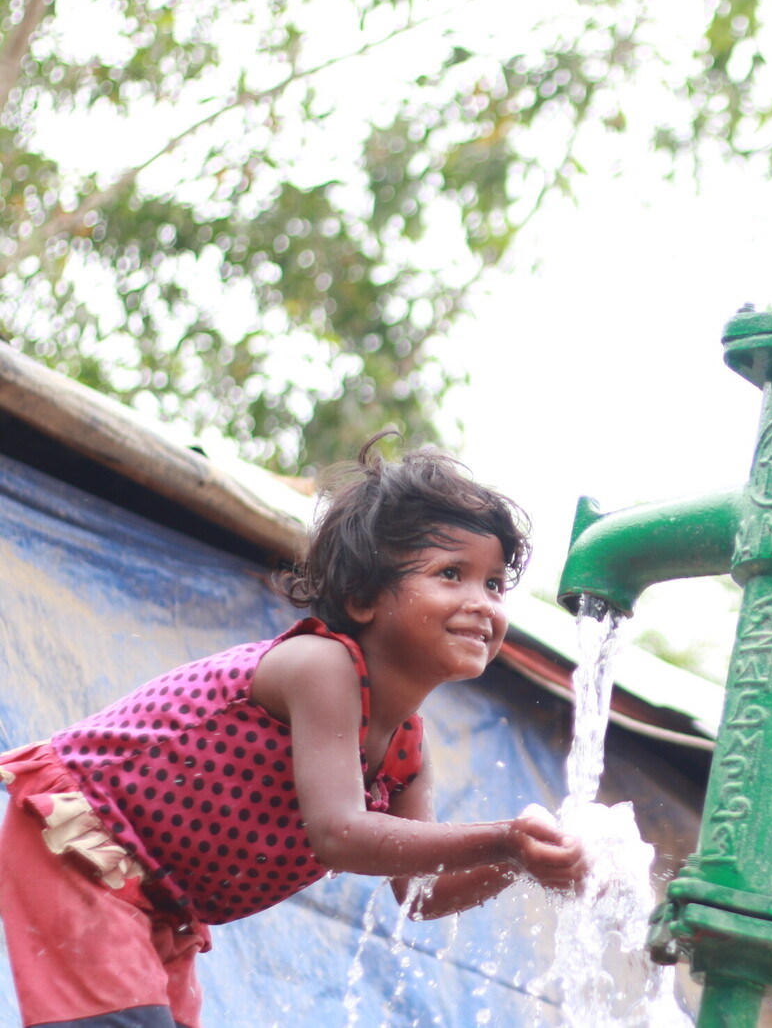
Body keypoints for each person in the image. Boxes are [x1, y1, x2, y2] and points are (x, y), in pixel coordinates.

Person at [0, 433, 585, 1028]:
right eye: (451, 573)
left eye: (493, 584)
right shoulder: (320, 667)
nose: (482, 602)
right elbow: (339, 834)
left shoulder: (406, 746)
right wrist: (508, 838)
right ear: (362, 597)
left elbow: (418, 894)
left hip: (162, 902)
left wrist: (526, 860)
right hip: (85, 848)